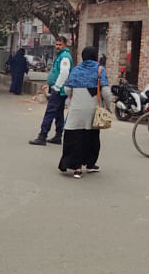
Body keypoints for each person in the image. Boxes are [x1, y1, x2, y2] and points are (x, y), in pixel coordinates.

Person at [57, 46, 111, 178]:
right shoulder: (100, 69)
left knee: (74, 137)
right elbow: (105, 92)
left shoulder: (76, 70)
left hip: (77, 109)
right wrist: (109, 107)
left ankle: (77, 168)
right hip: (93, 109)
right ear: (95, 56)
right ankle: (90, 164)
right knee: (91, 137)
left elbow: (67, 89)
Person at [29, 36, 73, 146]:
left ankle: (42, 135)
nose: (57, 47)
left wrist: (57, 87)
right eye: (56, 44)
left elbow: (64, 73)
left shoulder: (65, 57)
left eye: (60, 45)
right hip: (58, 88)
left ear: (65, 45)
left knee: (50, 111)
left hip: (59, 89)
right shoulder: (60, 56)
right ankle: (58, 135)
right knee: (58, 113)